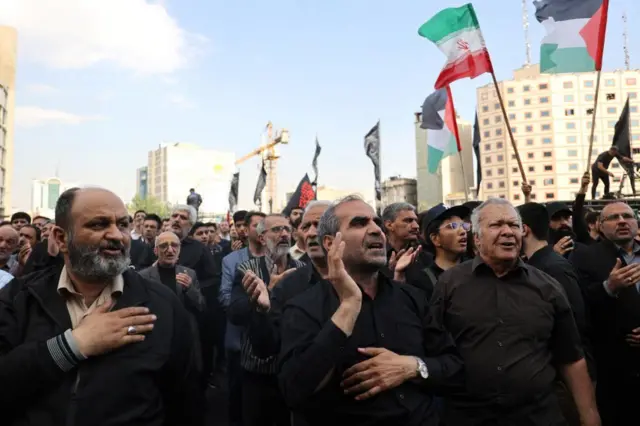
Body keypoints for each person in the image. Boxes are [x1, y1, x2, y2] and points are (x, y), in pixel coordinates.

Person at [0, 187, 202, 425]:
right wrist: (71, 345)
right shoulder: (18, 298)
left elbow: (187, 402)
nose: (117, 235)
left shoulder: (162, 305)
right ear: (61, 237)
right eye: (99, 224)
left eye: (123, 224)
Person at [278, 195, 463, 426]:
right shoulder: (304, 307)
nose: (376, 230)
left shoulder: (412, 298)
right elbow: (295, 391)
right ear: (329, 243)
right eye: (359, 223)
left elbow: (454, 368)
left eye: (376, 221)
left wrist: (413, 367)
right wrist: (348, 307)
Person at [431, 198, 599, 426]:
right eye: (496, 225)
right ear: (477, 239)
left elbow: (571, 358)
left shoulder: (548, 287)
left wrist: (589, 415)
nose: (507, 232)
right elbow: (433, 349)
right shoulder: (449, 284)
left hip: (536, 417)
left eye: (513, 225)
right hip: (468, 417)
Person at [229, 214, 305, 426]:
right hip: (258, 370)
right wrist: (268, 293)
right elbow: (235, 312)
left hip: (292, 367)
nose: (283, 234)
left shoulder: (303, 270)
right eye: (276, 230)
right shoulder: (248, 269)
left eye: (287, 230)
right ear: (262, 238)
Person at [571, 201, 640, 425]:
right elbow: (579, 308)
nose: (622, 221)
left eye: (627, 216)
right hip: (614, 369)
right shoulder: (584, 257)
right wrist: (608, 287)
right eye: (613, 218)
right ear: (600, 226)